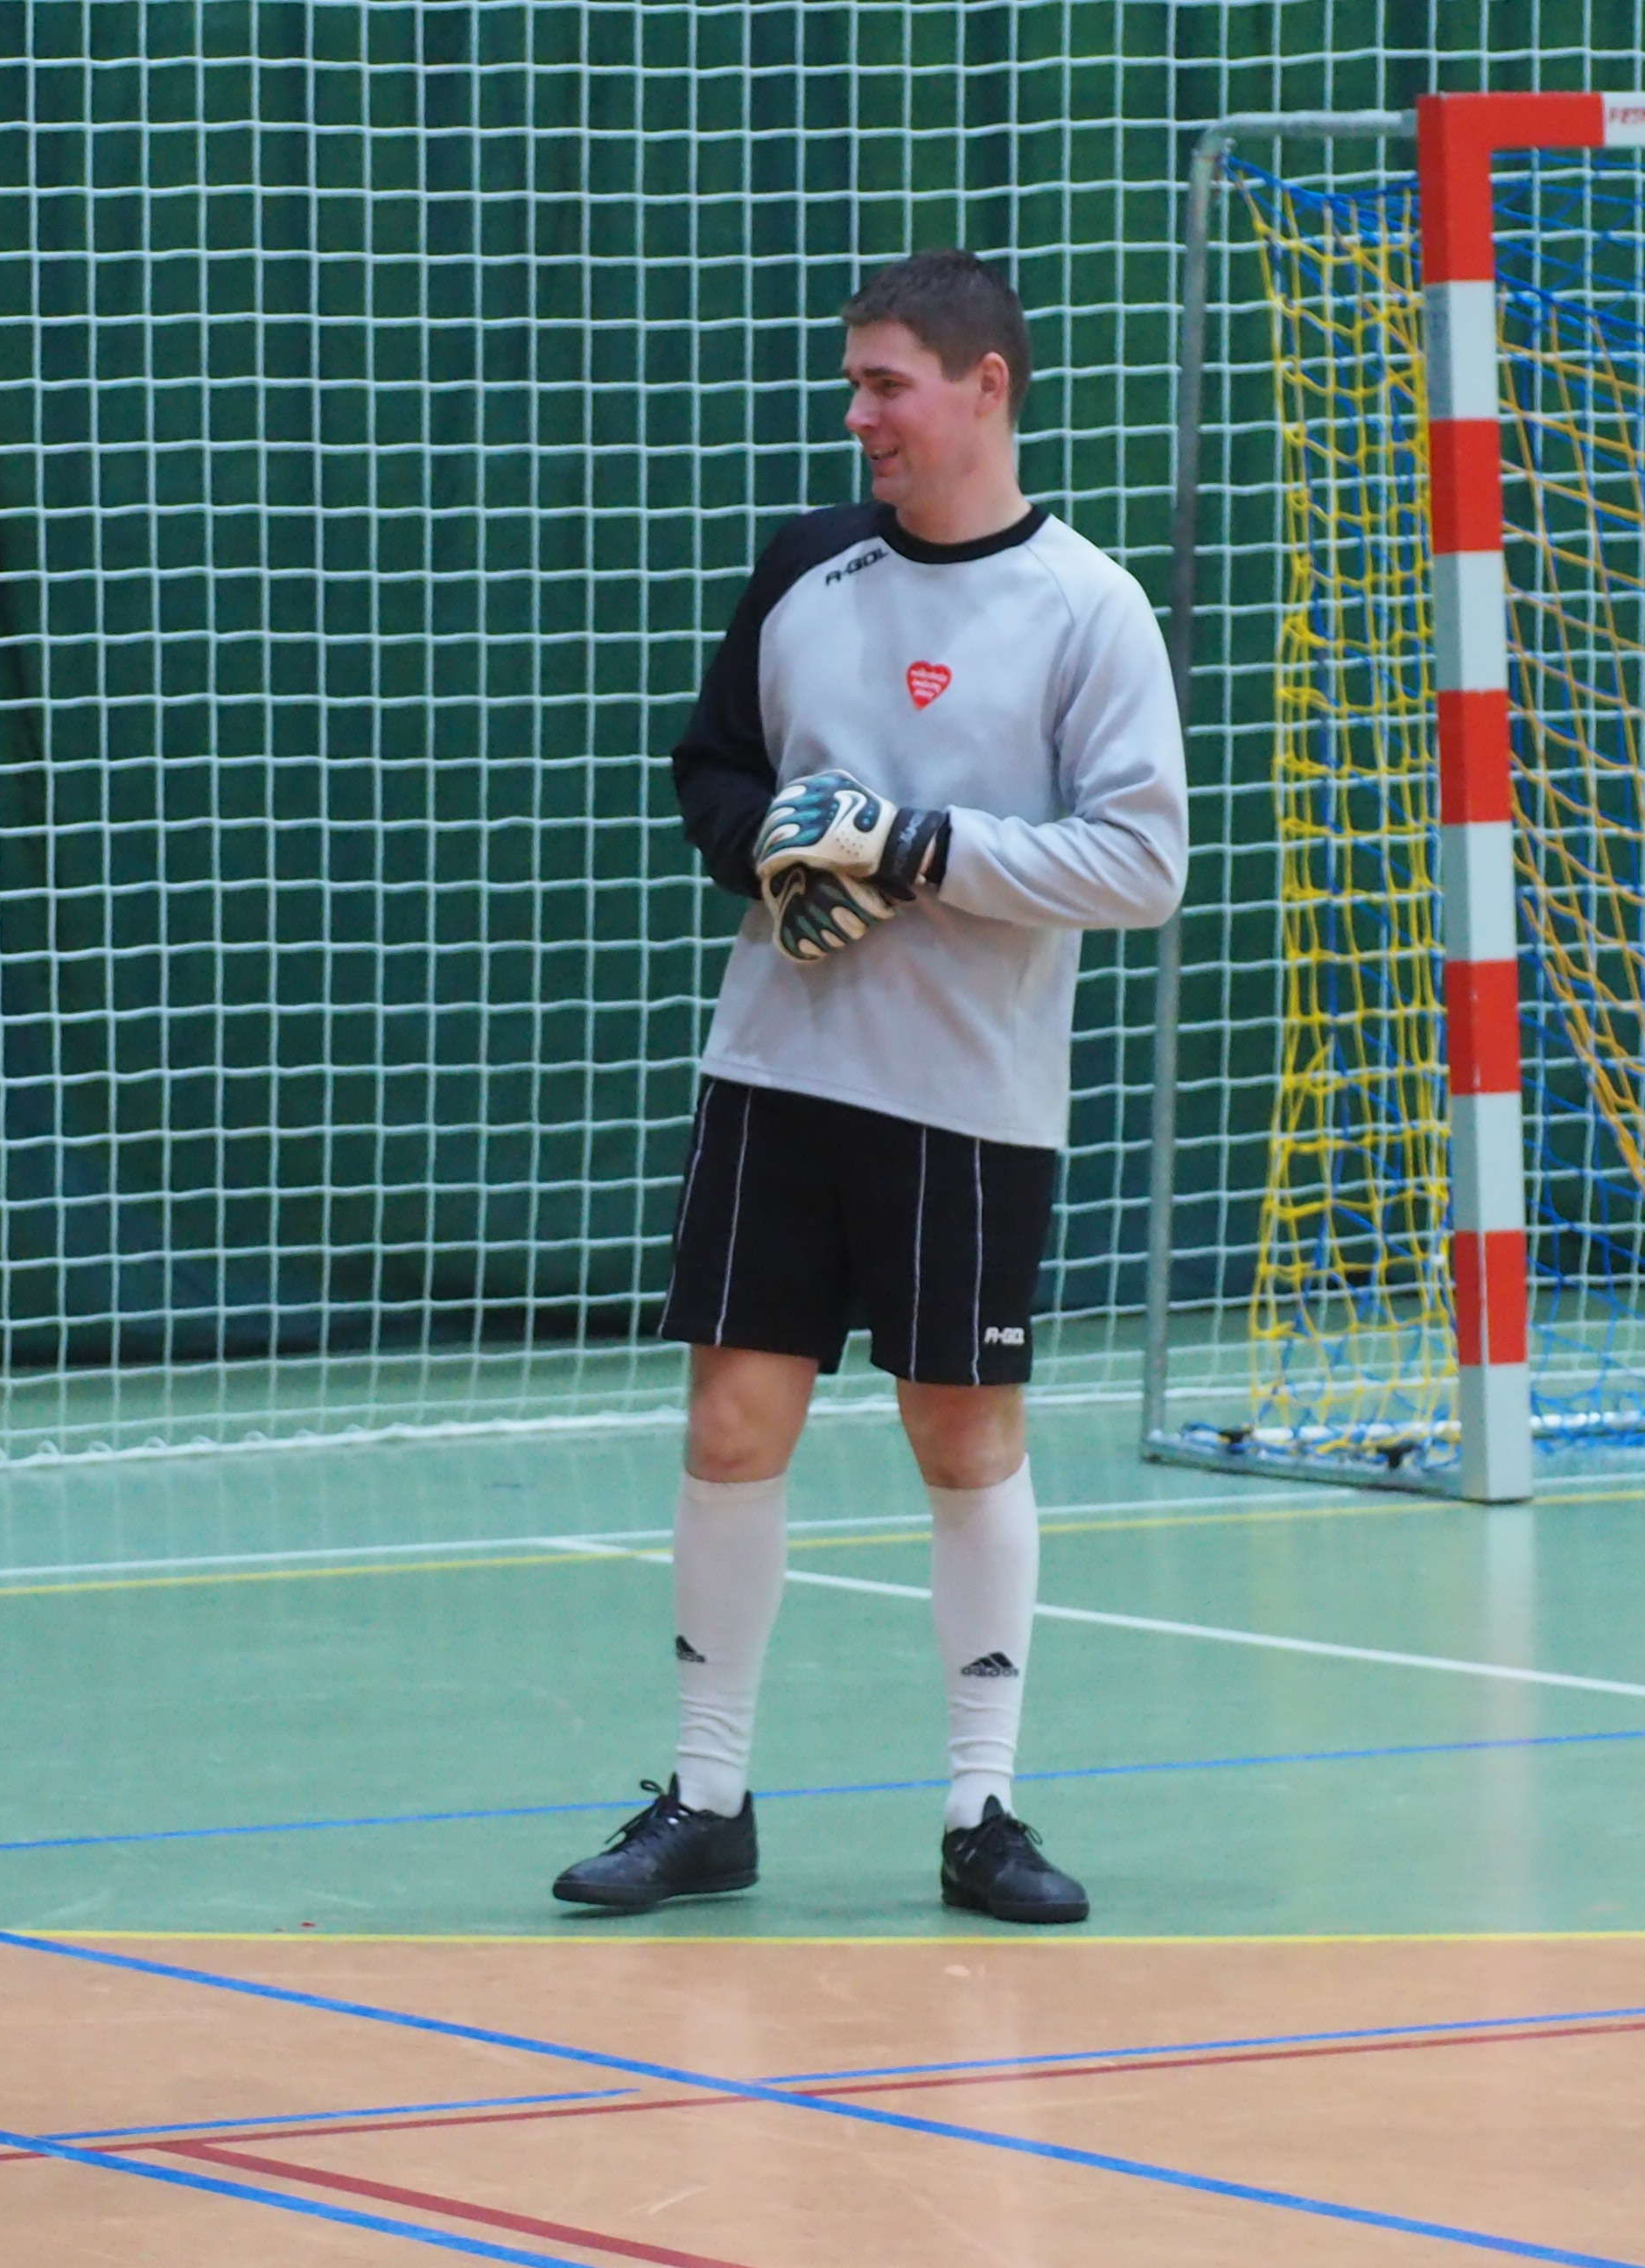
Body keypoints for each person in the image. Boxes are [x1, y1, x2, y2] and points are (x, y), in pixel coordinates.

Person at [548, 249, 1186, 1925]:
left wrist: (914, 846)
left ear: (986, 387)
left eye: (887, 384)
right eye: (854, 386)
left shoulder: (1088, 605)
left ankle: (983, 1812)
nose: (860, 417)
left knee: (961, 1436)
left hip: (970, 1097)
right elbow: (714, 770)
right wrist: (771, 855)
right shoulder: (806, 571)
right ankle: (706, 1800)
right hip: (779, 1070)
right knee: (730, 1421)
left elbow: (1141, 864)